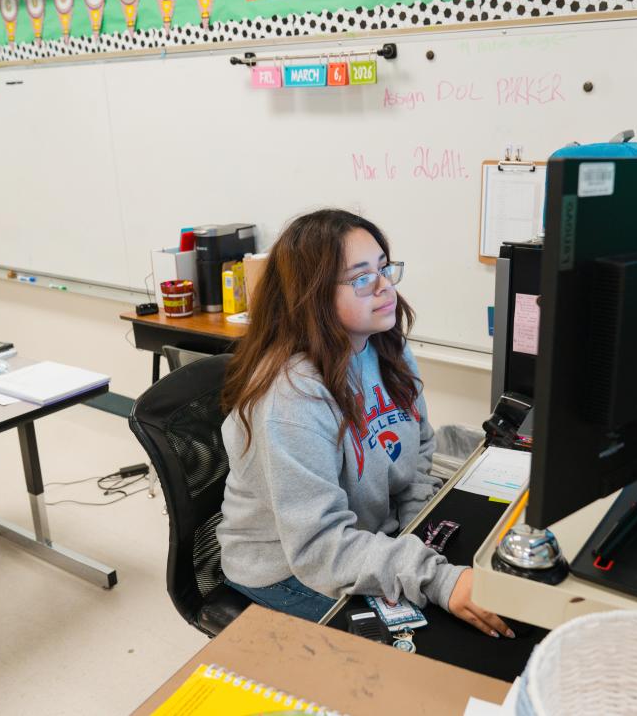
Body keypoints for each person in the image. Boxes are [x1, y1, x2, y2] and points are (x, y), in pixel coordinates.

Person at [218, 208, 513, 638]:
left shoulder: (385, 347)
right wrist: (436, 578)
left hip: (361, 539)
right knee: (427, 646)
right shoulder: (291, 397)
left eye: (384, 268)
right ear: (312, 295)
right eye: (360, 277)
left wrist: (422, 533)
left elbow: (418, 454)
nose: (384, 286)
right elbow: (319, 549)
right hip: (287, 568)